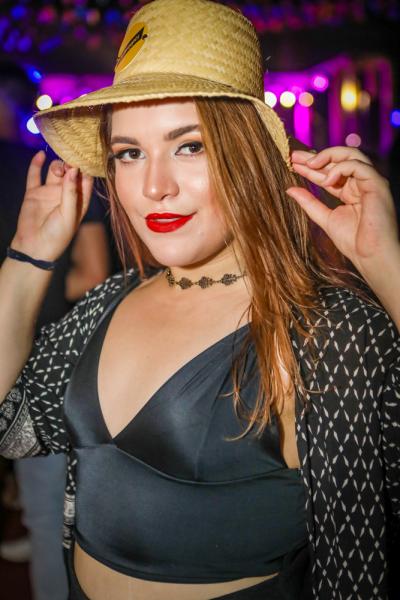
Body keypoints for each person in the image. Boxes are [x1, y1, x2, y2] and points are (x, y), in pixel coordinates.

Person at [0, 0, 399, 598]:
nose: (154, 187)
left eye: (189, 146)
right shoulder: (107, 302)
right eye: (129, 153)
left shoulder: (328, 330)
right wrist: (27, 258)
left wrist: (388, 269)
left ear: (249, 156)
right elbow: (12, 433)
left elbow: (361, 564)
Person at [0, 61, 111, 598]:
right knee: (52, 523)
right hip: (51, 361)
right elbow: (92, 274)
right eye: (131, 154)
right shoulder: (55, 172)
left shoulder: (57, 175)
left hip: (38, 367)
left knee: (47, 518)